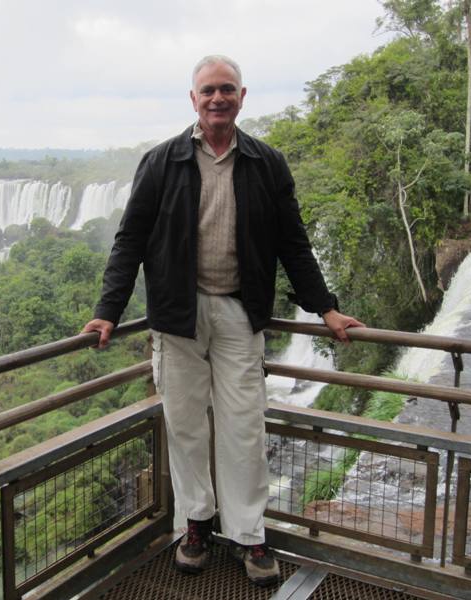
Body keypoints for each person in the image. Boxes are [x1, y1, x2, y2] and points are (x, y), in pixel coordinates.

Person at [81, 55, 363, 587]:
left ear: (242, 96)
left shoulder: (266, 163)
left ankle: (249, 534)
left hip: (239, 310)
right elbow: (130, 242)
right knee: (186, 428)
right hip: (176, 313)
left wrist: (324, 306)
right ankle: (196, 524)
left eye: (226, 90)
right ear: (193, 99)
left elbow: (292, 243)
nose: (217, 98)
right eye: (208, 90)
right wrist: (107, 312)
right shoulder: (161, 162)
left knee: (244, 427)